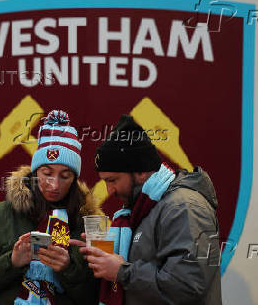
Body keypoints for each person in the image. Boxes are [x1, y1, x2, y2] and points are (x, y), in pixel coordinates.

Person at [71, 114, 222, 305]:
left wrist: (122, 271)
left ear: (141, 172)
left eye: (113, 180)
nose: (109, 190)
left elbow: (188, 287)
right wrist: (100, 259)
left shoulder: (183, 207)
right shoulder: (143, 208)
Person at [0, 110, 101, 305]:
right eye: (47, 173)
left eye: (65, 175)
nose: (54, 184)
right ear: (35, 172)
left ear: (75, 178)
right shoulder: (2, 214)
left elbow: (99, 296)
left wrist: (68, 269)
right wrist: (12, 261)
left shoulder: (88, 223)